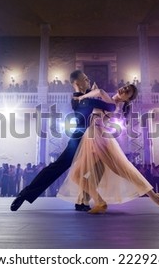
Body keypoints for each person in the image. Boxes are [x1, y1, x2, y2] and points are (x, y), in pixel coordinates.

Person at [56, 84, 159, 214]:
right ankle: (98, 201)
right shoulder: (112, 103)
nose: (123, 89)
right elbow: (98, 99)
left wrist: (82, 97)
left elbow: (101, 91)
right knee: (80, 174)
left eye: (127, 91)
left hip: (99, 138)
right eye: (125, 87)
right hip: (92, 137)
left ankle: (154, 197)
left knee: (123, 169)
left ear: (127, 99)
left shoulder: (113, 104)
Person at [10, 70, 116, 211]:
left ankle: (82, 202)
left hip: (91, 140)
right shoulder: (84, 99)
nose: (88, 79)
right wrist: (100, 92)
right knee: (57, 168)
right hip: (79, 141)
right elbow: (111, 107)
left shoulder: (81, 98)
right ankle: (24, 194)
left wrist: (94, 92)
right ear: (77, 83)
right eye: (85, 78)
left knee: (92, 170)